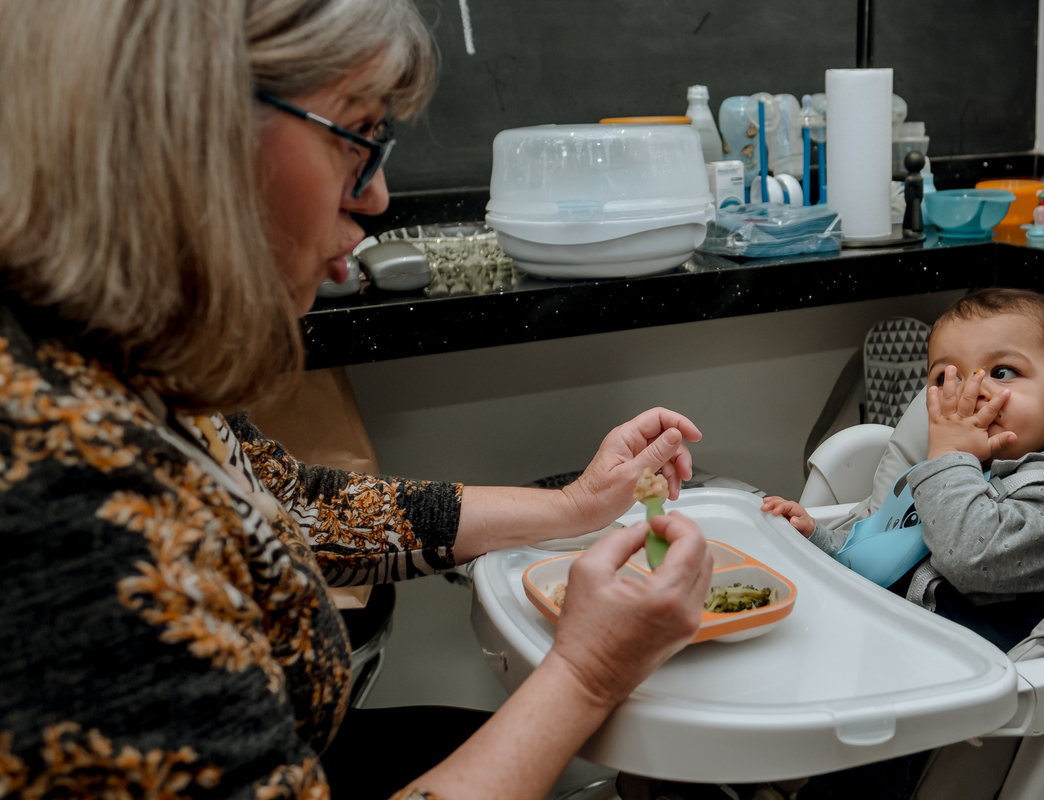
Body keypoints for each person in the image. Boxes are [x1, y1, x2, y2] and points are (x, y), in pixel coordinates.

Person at [0, 3, 713, 800]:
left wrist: (579, 505)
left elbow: (300, 507)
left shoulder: (125, 360)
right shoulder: (61, 511)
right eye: (356, 133)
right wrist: (588, 672)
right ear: (187, 127)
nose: (375, 196)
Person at [762, 288, 1044, 652]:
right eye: (946, 378)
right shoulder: (941, 471)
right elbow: (892, 549)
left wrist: (950, 455)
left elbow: (968, 556)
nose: (972, 391)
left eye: (1002, 372)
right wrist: (821, 542)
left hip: (954, 674)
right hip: (876, 633)